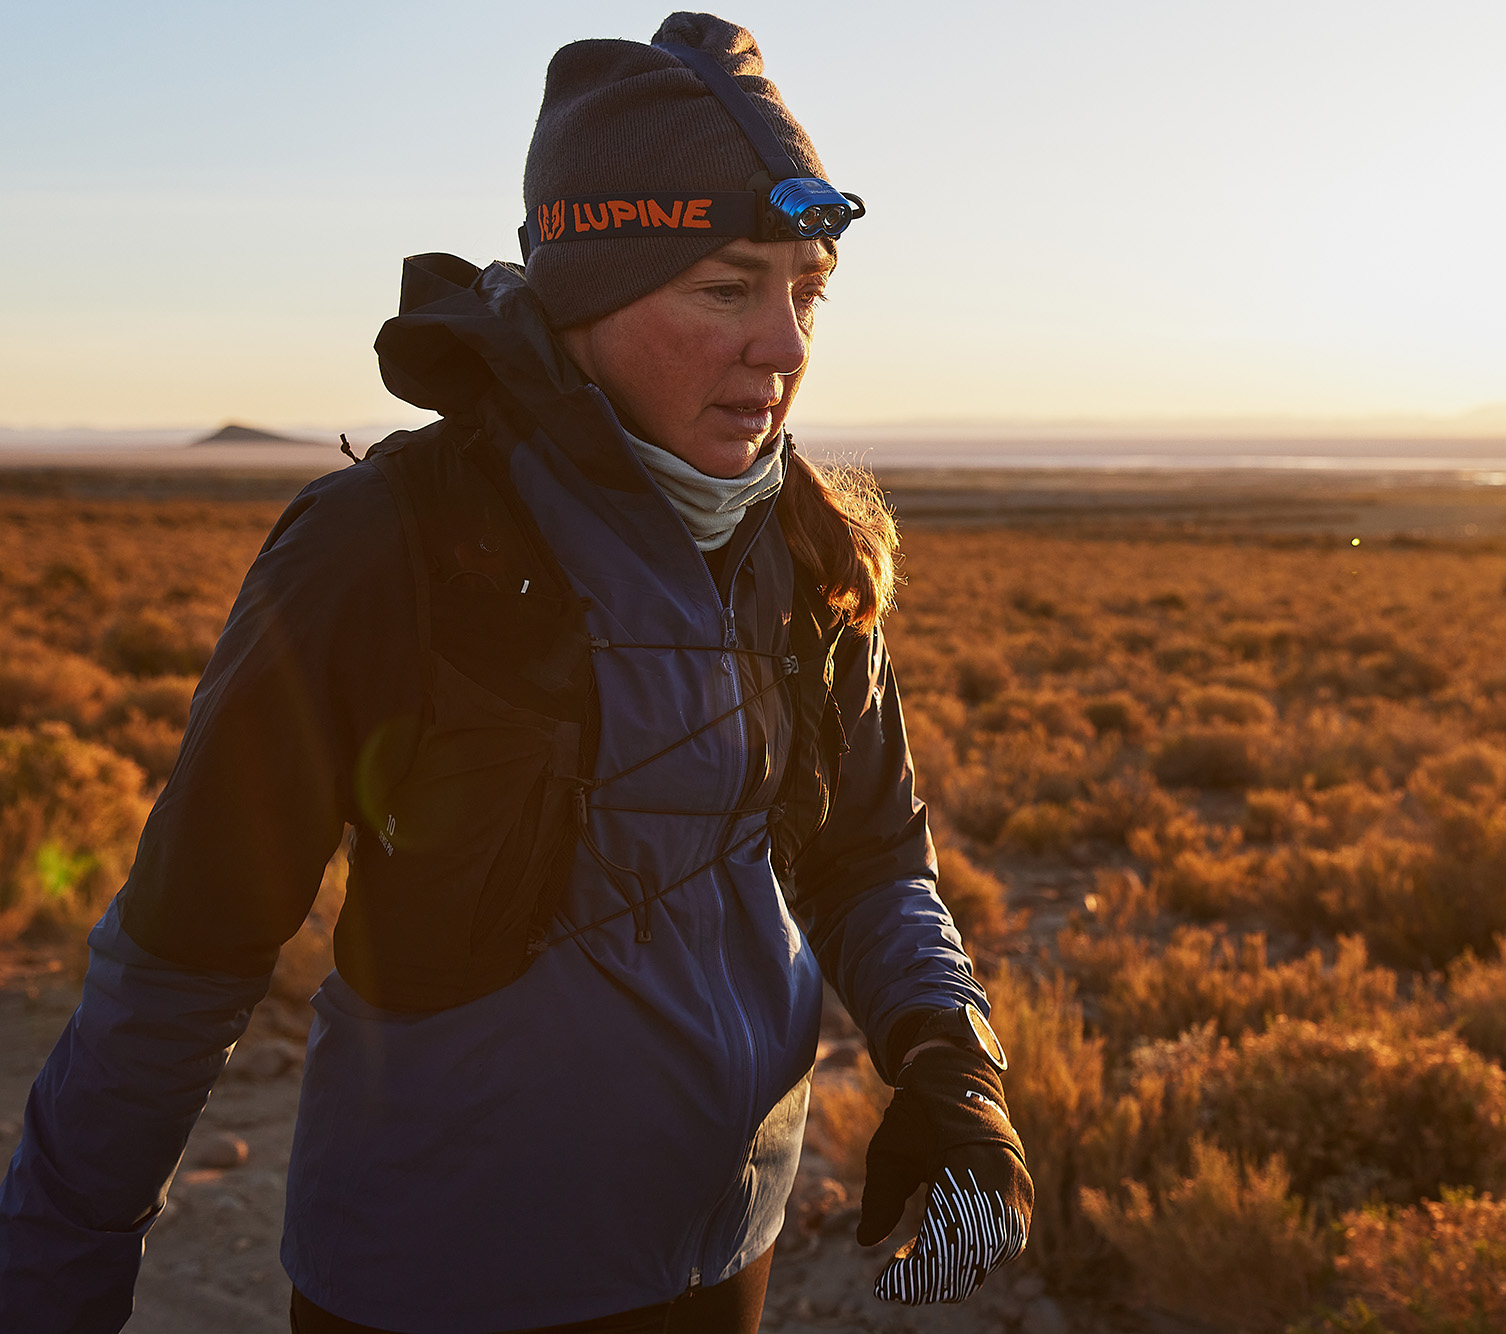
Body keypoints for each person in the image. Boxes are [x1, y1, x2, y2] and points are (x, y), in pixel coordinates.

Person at [0, 13, 1032, 1333]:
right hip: (438, 1287)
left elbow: (869, 857)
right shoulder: (392, 547)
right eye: (726, 288)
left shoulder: (804, 546)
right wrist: (50, 1283)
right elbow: (179, 962)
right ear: (585, 295)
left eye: (807, 288)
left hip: (723, 1258)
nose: (783, 345)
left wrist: (952, 1059)